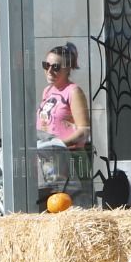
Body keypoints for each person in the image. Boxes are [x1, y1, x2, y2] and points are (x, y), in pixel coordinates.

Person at [36, 42, 92, 204]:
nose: (50, 71)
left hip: (71, 158)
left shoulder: (73, 91)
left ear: (68, 69)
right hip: (49, 161)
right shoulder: (47, 91)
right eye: (46, 65)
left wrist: (57, 144)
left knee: (74, 208)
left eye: (56, 67)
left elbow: (84, 131)